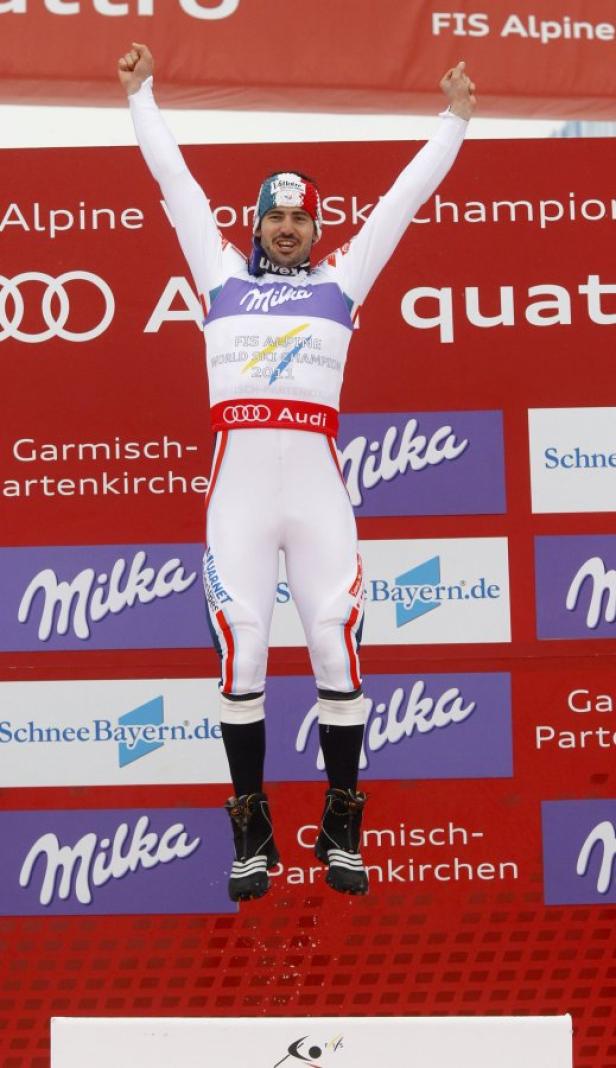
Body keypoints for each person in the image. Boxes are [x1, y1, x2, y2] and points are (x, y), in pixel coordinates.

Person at [118, 44, 476, 902]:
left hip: (316, 495)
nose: (288, 228)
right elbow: (178, 190)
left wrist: (455, 119)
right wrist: (142, 97)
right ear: (256, 226)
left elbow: (400, 203)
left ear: (318, 229)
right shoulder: (219, 280)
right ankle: (252, 826)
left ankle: (343, 821)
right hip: (240, 499)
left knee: (332, 644)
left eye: (302, 219)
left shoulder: (342, 283)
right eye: (276, 217)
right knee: (241, 654)